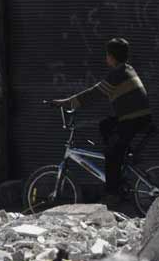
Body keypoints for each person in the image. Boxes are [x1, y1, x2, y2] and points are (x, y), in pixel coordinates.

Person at [52, 38, 152, 206]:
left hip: (134, 119)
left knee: (112, 153)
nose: (106, 58)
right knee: (105, 125)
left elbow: (94, 93)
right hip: (135, 117)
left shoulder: (118, 74)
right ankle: (121, 160)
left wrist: (66, 102)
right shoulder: (127, 69)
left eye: (107, 55)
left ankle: (112, 192)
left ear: (112, 57)